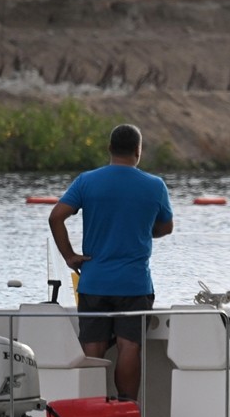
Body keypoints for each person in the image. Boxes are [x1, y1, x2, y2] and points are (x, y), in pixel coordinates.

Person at [48, 124, 173, 400]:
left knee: (92, 349)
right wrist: (142, 230)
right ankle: (127, 408)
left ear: (109, 149)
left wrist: (69, 256)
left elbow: (56, 217)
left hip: (93, 281)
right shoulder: (155, 185)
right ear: (138, 151)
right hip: (134, 284)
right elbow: (166, 227)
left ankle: (91, 407)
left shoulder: (86, 181)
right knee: (130, 347)